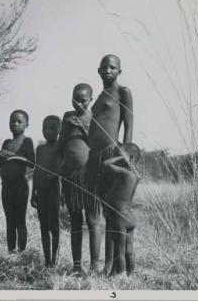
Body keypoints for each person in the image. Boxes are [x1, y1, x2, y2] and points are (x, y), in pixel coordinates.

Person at [84, 54, 133, 273]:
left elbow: (129, 127)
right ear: (98, 70)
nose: (108, 70)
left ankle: (111, 266)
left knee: (113, 214)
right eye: (104, 67)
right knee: (94, 213)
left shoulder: (123, 92)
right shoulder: (98, 96)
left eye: (113, 67)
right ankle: (96, 266)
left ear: (120, 71)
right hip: (93, 157)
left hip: (111, 155)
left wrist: (125, 156)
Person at [57, 83, 93, 273]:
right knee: (75, 220)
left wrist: (83, 128)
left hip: (88, 176)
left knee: (93, 219)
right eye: (75, 98)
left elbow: (96, 144)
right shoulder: (67, 116)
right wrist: (68, 128)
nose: (78, 103)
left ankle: (95, 266)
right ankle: (77, 265)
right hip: (69, 175)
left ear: (91, 100)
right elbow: (60, 145)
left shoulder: (92, 116)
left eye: (83, 100)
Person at [0, 110, 35, 253]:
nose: (15, 124)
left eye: (19, 121)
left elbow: (32, 163)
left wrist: (13, 156)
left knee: (20, 220)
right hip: (6, 187)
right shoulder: (6, 142)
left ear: (27, 124)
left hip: (20, 187)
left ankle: (21, 252)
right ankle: (11, 252)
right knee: (9, 221)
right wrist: (0, 157)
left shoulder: (27, 141)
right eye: (12, 121)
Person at [102, 143, 141, 276]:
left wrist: (120, 158)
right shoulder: (136, 176)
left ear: (129, 158)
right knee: (129, 250)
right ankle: (131, 275)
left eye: (119, 154)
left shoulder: (125, 173)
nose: (117, 156)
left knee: (120, 250)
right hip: (129, 216)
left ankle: (122, 276)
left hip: (120, 217)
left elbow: (106, 164)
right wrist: (124, 157)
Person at [31, 115, 62, 267]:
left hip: (55, 189)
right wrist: (33, 193)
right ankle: (47, 260)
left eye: (52, 128)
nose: (48, 131)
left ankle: (54, 261)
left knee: (54, 225)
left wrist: (56, 175)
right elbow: (36, 170)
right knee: (43, 225)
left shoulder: (61, 147)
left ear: (59, 130)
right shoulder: (40, 149)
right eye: (45, 128)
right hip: (41, 190)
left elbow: (65, 168)